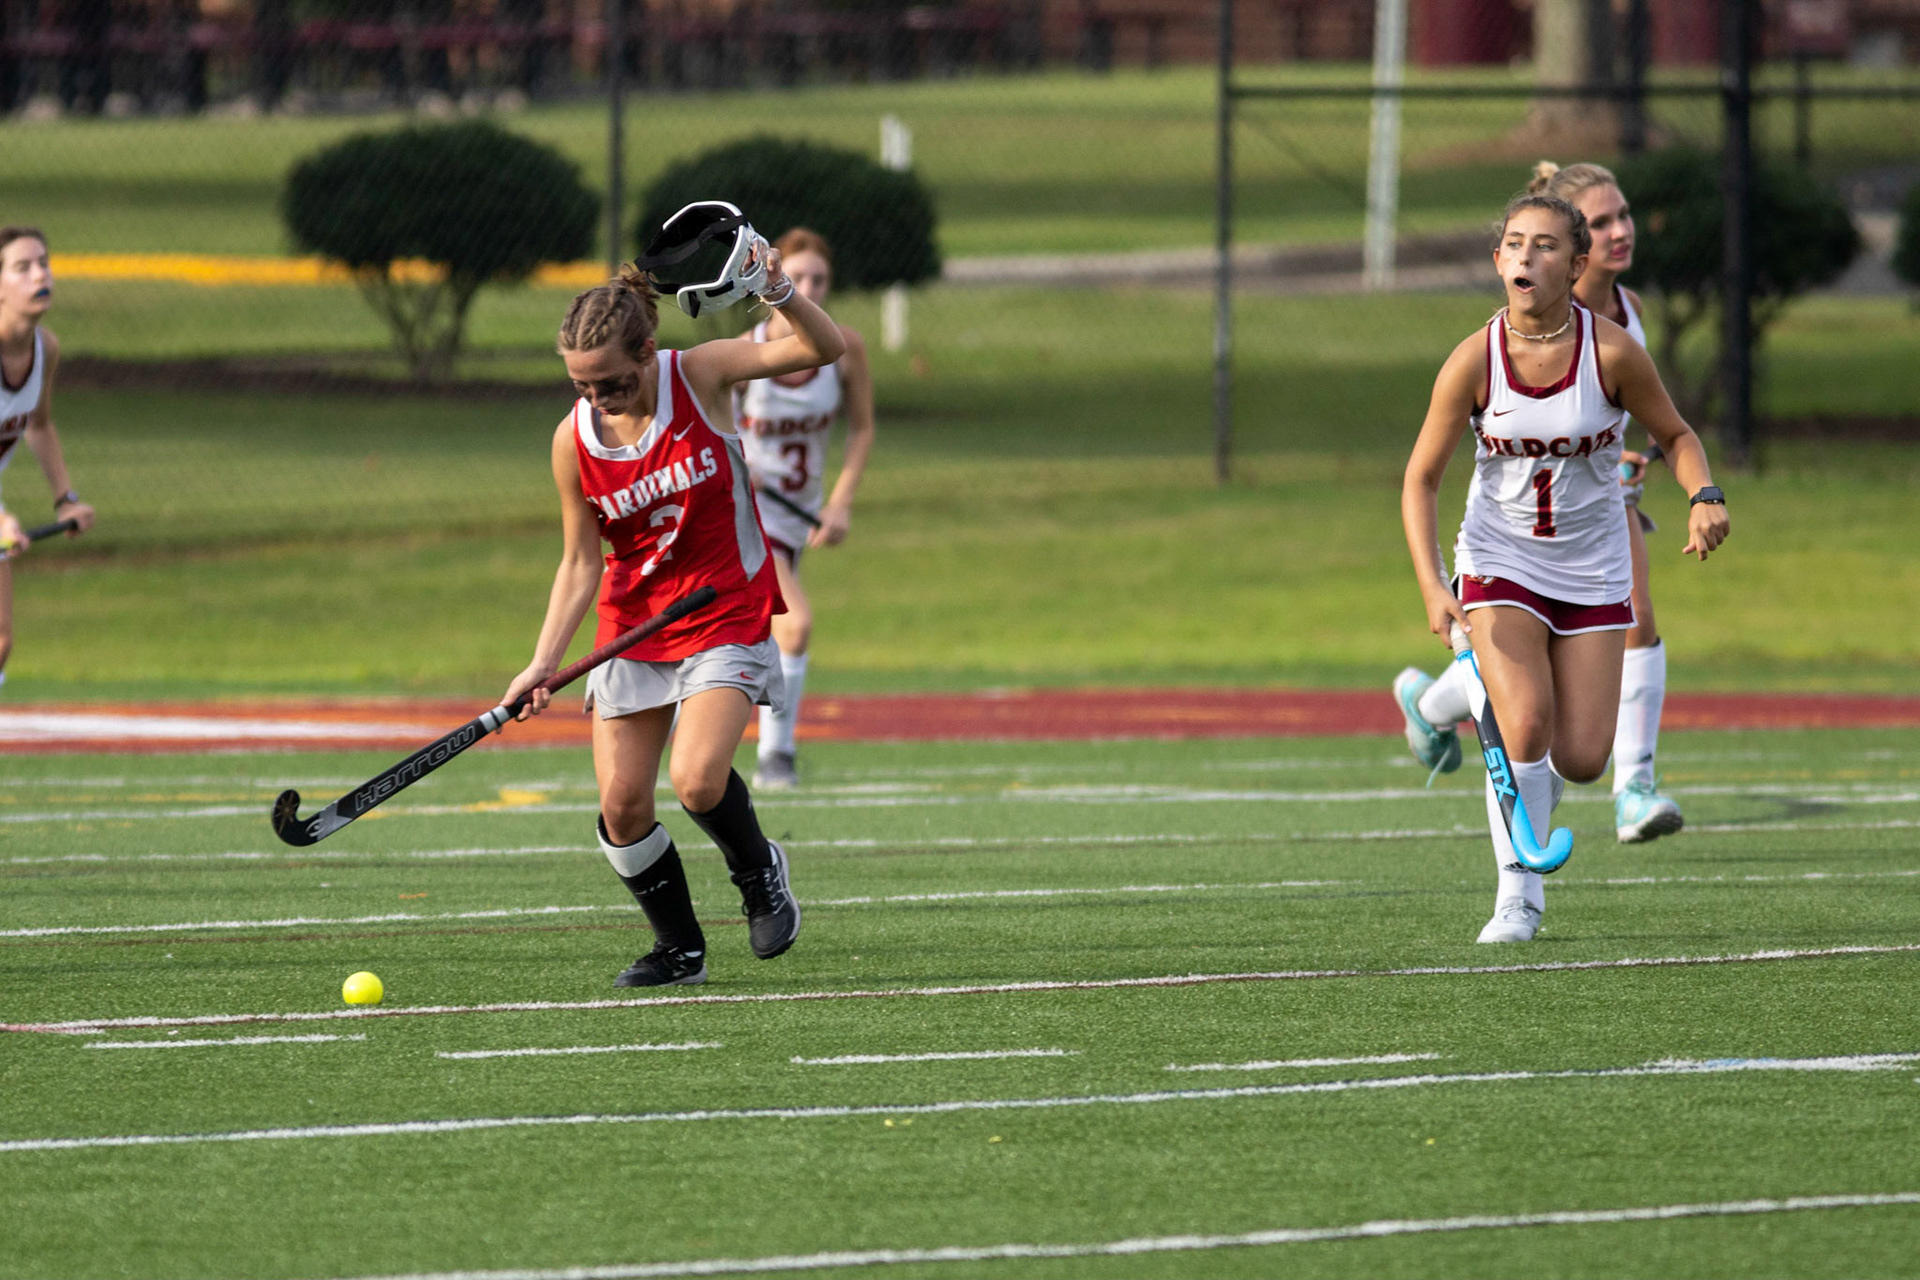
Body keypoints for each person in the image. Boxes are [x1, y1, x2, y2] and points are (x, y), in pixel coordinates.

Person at [504, 244, 847, 987]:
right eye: (581, 385)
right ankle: (679, 948)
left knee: (696, 779)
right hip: (635, 625)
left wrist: (778, 291)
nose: (599, 397)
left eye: (612, 381)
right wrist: (542, 663)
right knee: (623, 806)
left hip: (725, 607)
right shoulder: (572, 440)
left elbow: (824, 348)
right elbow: (581, 563)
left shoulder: (700, 374)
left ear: (647, 351)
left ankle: (759, 872)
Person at [1399, 192, 1728, 943]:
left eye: (1545, 245)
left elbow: (1676, 435)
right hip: (1500, 558)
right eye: (1514, 243)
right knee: (1526, 723)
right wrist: (1432, 585)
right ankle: (1518, 897)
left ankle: (1445, 704)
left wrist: (1703, 495)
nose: (1526, 256)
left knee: (1581, 759)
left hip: (1593, 567)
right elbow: (1420, 479)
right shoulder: (1473, 360)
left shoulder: (1611, 353)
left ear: (1576, 267)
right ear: (1498, 261)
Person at [733, 228, 875, 790]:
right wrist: (737, 461)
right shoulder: (746, 349)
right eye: (798, 276)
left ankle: (694, 728)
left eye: (819, 278)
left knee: (750, 633)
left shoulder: (844, 347)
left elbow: (862, 428)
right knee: (795, 626)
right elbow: (711, 423)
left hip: (799, 513)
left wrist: (840, 502)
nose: (809, 287)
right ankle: (777, 755)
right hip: (748, 512)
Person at [0, 227, 95, 693]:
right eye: (22, 268)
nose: (40, 275)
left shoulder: (45, 349)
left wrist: (65, 499)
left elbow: (38, 425)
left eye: (43, 263)